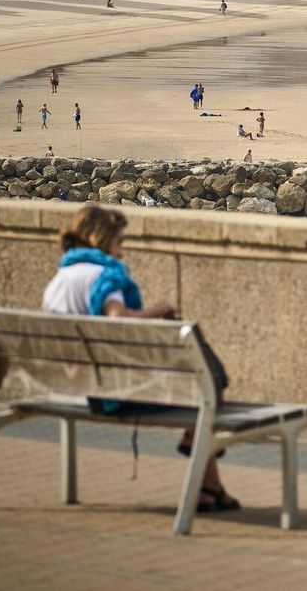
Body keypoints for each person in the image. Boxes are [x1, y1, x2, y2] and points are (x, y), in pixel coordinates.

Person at [41, 206, 238, 513]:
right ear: (103, 241)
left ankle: (211, 488)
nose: (121, 253)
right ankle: (200, 461)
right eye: (119, 243)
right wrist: (158, 311)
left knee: (202, 393)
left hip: (75, 385)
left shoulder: (61, 278)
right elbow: (119, 318)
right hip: (114, 394)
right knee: (206, 388)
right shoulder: (104, 276)